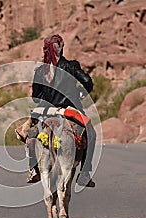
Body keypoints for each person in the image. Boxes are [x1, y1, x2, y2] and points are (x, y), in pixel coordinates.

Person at [17, 34, 96, 187]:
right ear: (60, 48)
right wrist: (81, 93)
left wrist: (46, 101)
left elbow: (35, 97)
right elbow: (87, 81)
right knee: (91, 133)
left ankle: (33, 169)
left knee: (30, 133)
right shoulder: (72, 66)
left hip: (46, 111)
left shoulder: (40, 71)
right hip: (69, 110)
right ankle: (84, 173)